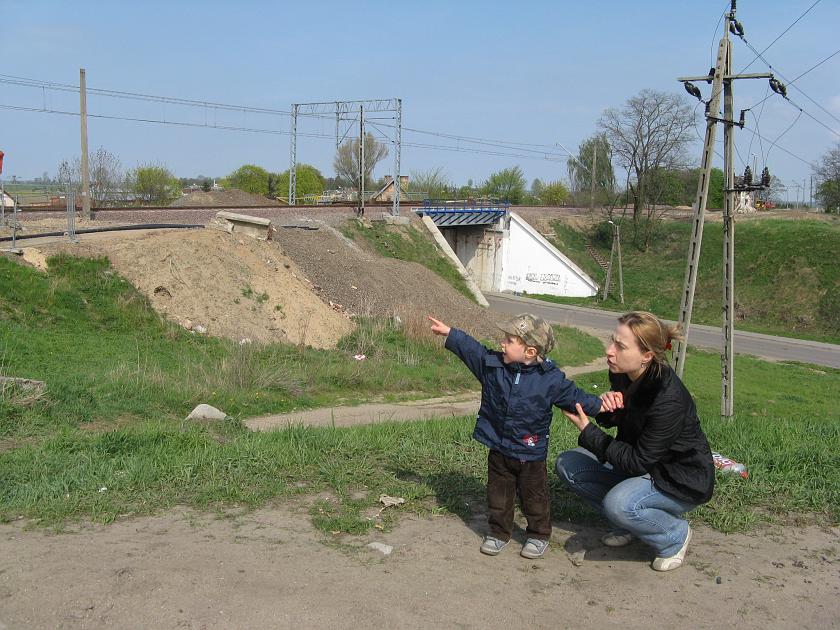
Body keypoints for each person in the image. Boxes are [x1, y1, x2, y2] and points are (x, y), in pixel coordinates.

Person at [427, 313, 618, 559]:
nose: (502, 344)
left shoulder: (551, 380)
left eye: (509, 340)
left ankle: (538, 534)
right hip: (499, 447)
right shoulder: (493, 366)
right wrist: (451, 334)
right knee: (498, 495)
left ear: (529, 351)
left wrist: (602, 406)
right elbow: (472, 351)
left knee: (534, 497)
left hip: (531, 451)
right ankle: (499, 533)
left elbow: (577, 398)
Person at [554, 311, 715, 572]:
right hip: (644, 468)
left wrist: (588, 430)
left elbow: (636, 461)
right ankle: (629, 524)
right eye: (612, 341)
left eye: (620, 346)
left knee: (619, 503)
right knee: (568, 465)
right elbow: (624, 420)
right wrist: (608, 407)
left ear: (647, 356)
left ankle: (674, 535)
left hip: (679, 480)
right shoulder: (624, 373)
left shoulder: (668, 399)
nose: (609, 350)